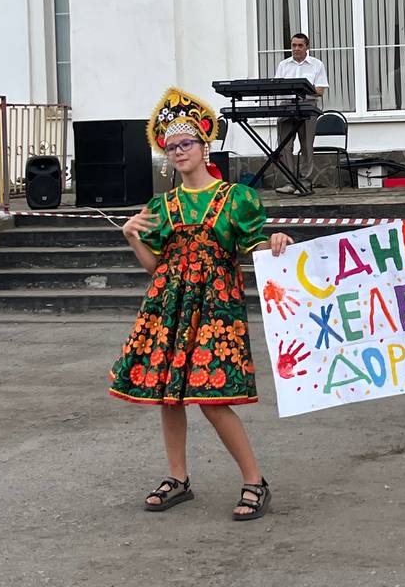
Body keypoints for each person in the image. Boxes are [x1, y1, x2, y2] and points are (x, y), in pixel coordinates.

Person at [110, 87, 294, 520]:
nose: (178, 152)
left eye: (186, 143)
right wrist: (132, 237)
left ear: (203, 144)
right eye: (171, 147)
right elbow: (154, 267)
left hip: (216, 308)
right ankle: (178, 477)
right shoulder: (163, 205)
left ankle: (254, 480)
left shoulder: (235, 199)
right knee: (168, 395)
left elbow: (253, 244)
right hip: (169, 306)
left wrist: (276, 241)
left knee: (212, 397)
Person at [274, 32, 328, 194]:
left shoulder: (317, 64)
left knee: (306, 145)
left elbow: (320, 90)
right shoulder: (283, 65)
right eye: (294, 45)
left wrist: (301, 91)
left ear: (307, 47)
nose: (296, 49)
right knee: (285, 145)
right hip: (286, 106)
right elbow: (277, 86)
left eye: (300, 45)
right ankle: (290, 182)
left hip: (307, 106)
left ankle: (305, 181)